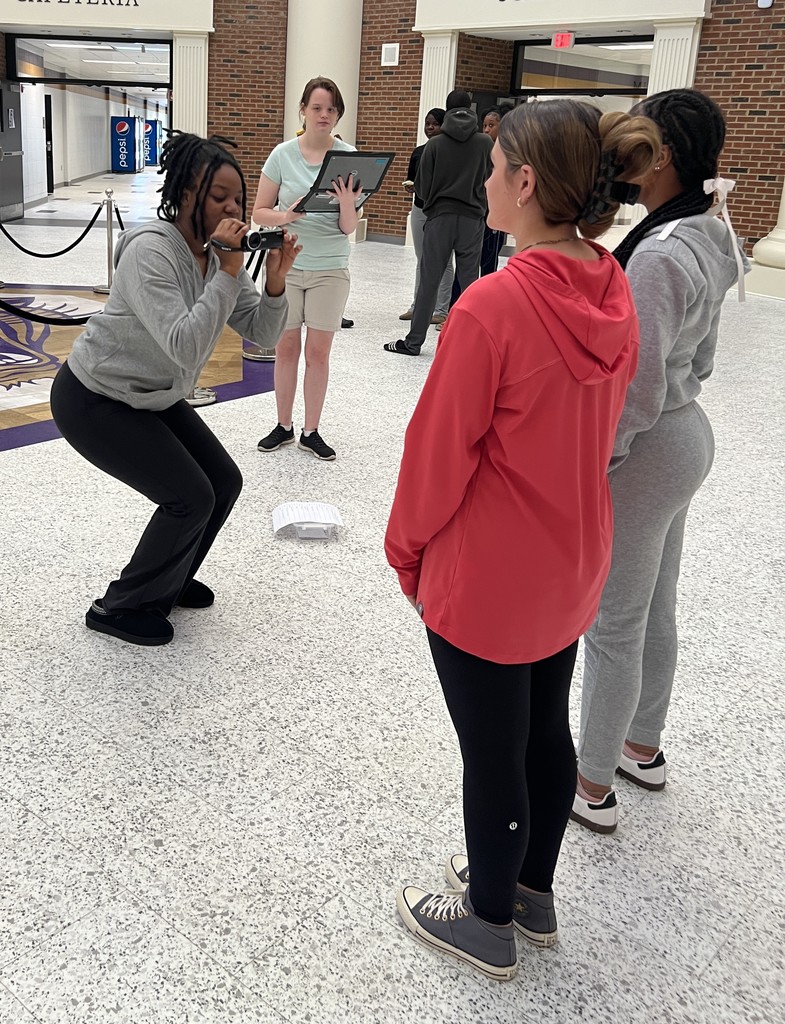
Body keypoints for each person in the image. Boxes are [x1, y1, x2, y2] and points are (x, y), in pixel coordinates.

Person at [385, 99, 659, 980]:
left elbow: (437, 455)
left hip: (492, 573)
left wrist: (405, 550)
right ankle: (531, 889)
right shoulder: (611, 286)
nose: (487, 177)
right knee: (543, 732)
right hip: (574, 557)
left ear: (525, 182)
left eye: (497, 165)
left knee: (490, 752)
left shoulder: (493, 306)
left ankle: (489, 920)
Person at [571, 89, 748, 834]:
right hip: (686, 436)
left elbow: (632, 385)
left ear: (663, 152)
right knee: (653, 606)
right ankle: (641, 746)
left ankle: (590, 785)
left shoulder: (660, 252)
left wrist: (601, 460)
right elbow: (697, 357)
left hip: (646, 452)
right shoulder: (708, 232)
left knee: (613, 622)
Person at [49, 132, 297, 647]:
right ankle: (119, 607)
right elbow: (185, 345)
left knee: (222, 482)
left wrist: (274, 283)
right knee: (188, 496)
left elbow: (264, 334)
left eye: (238, 198)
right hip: (96, 398)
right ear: (186, 194)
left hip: (153, 395)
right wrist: (228, 271)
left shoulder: (214, 252)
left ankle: (172, 579)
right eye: (219, 196)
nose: (233, 208)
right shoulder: (150, 252)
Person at [254, 76, 359, 461]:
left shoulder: (347, 155)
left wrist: (348, 202)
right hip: (289, 262)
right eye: (317, 107)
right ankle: (283, 425)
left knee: (318, 352)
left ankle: (310, 430)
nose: (324, 115)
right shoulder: (282, 155)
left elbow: (348, 228)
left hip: (330, 267)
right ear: (303, 110)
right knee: (285, 347)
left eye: (331, 109)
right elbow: (259, 212)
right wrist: (287, 214)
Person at [383, 89, 492, 356]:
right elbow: (493, 179)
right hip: (472, 220)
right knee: (471, 283)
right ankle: (476, 344)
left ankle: (413, 342)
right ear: (471, 109)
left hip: (440, 219)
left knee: (429, 282)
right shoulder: (485, 143)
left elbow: (421, 188)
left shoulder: (434, 145)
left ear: (447, 109)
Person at [398, 108, 454, 325]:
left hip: (441, 211)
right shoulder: (418, 152)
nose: (430, 128)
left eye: (435, 124)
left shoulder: (450, 152)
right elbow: (412, 178)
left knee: (444, 261)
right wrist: (411, 188)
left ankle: (441, 309)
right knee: (422, 259)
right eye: (427, 123)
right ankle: (417, 306)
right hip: (420, 209)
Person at [479, 107, 507, 277]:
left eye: (491, 125)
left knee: (489, 259)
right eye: (484, 126)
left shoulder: (506, 152)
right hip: (478, 210)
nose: (487, 129)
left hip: (495, 211)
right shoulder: (481, 150)